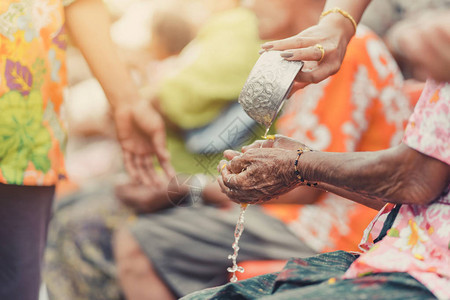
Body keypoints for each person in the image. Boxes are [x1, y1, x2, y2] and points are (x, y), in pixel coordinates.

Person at [44, 0, 414, 299]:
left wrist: (187, 188)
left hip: (335, 226)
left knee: (139, 240)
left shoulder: (347, 52)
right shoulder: (307, 56)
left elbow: (303, 186)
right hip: (297, 214)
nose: (248, 8)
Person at [183, 5, 450, 300]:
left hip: (360, 240)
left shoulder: (354, 51)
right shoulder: (318, 53)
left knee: (148, 238)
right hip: (393, 244)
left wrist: (298, 165)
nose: (250, 5)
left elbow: (415, 180)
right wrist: (341, 24)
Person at [0, 0, 174, 299]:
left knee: (16, 284)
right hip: (26, 131)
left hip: (24, 136)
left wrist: (127, 101)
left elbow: (79, 3)